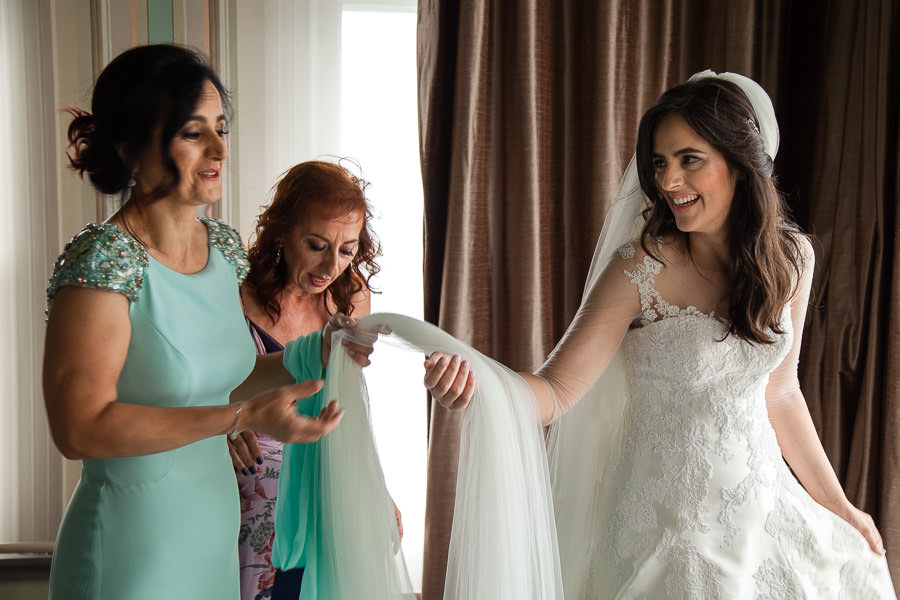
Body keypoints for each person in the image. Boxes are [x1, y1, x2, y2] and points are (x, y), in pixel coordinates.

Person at [424, 71, 896, 597]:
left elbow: (781, 394)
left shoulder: (792, 260)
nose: (669, 181)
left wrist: (839, 506)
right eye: (659, 162)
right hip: (665, 527)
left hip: (762, 511)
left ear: (739, 164)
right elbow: (555, 392)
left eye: (689, 159)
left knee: (855, 571)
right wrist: (477, 383)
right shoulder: (638, 270)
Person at [43, 44, 376, 600]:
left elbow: (225, 380)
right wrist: (240, 416)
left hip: (214, 536)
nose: (220, 148)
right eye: (193, 133)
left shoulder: (222, 251)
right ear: (130, 146)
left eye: (220, 128)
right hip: (134, 544)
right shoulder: (103, 261)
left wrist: (314, 354)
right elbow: (79, 429)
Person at [227, 160, 402, 599]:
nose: (332, 265)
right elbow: (198, 385)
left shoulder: (350, 296)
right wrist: (221, 429)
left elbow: (351, 404)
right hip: (248, 480)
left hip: (327, 475)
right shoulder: (233, 292)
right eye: (317, 244)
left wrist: (376, 488)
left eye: (347, 249)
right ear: (281, 231)